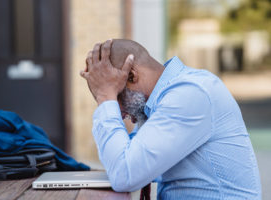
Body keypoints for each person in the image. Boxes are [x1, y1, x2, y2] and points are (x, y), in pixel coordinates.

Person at [80, 39, 262, 199]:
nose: (119, 113)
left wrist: (105, 97)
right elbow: (122, 159)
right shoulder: (159, 104)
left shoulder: (189, 93)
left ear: (132, 75)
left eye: (116, 96)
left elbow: (124, 174)